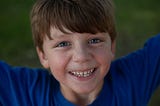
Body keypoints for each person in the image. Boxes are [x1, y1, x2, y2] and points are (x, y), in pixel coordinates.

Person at [0, 0, 160, 106]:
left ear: (111, 47)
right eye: (63, 43)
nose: (82, 57)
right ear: (43, 55)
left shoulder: (132, 80)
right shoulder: (24, 93)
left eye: (94, 40)